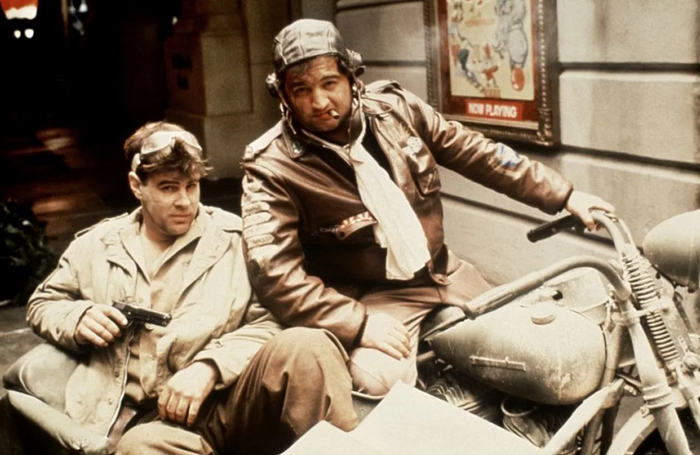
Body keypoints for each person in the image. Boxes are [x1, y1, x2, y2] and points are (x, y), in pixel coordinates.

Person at [240, 19, 615, 398]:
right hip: (377, 295)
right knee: (374, 379)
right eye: (301, 90)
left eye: (329, 83)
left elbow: (478, 153)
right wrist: (357, 323)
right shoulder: (270, 165)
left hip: (444, 271)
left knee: (539, 352)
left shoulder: (396, 109)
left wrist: (565, 196)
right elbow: (275, 275)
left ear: (352, 78)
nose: (319, 102)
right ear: (283, 95)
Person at [24, 121, 357, 455]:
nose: (184, 201)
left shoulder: (238, 240)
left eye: (192, 186)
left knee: (309, 344)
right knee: (139, 448)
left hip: (231, 402)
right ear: (137, 186)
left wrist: (209, 367)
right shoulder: (97, 245)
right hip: (156, 422)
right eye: (168, 188)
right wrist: (78, 317)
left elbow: (275, 320)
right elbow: (43, 302)